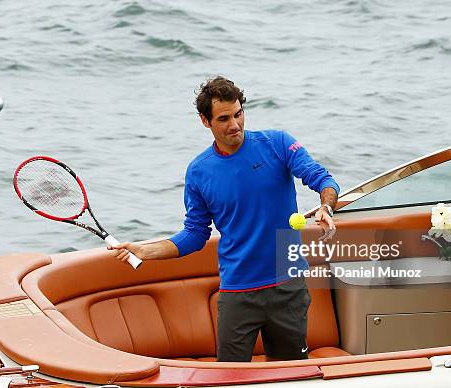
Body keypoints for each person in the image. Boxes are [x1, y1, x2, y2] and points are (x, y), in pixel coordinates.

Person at [109, 76, 339, 362]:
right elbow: (195, 234)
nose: (235, 125)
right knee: (228, 378)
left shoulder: (277, 143)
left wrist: (326, 207)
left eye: (239, 114)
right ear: (206, 122)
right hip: (238, 292)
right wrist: (146, 250)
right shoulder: (199, 172)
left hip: (287, 284)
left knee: (291, 376)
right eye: (224, 118)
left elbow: (323, 179)